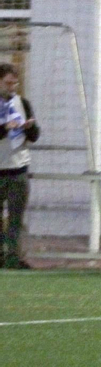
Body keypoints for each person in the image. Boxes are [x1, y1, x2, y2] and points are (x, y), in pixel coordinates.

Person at [0, 63, 40, 270]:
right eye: (8, 83)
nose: (12, 87)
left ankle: (13, 257)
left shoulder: (22, 103)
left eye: (15, 83)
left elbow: (34, 136)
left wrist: (30, 128)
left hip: (18, 169)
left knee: (16, 218)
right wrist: (5, 128)